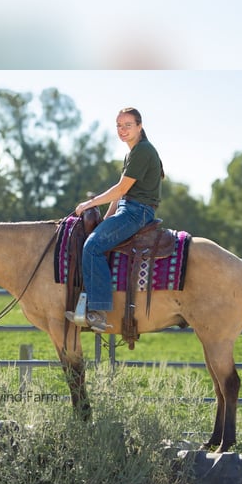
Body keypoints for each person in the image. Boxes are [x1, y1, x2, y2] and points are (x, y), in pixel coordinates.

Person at [65, 107, 164, 333]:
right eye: (119, 126)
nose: (122, 130)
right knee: (95, 237)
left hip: (136, 212)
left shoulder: (143, 151)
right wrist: (105, 221)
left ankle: (98, 312)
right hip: (128, 209)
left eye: (128, 125)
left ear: (139, 126)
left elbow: (120, 189)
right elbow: (120, 195)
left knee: (92, 247)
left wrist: (88, 205)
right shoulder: (133, 152)